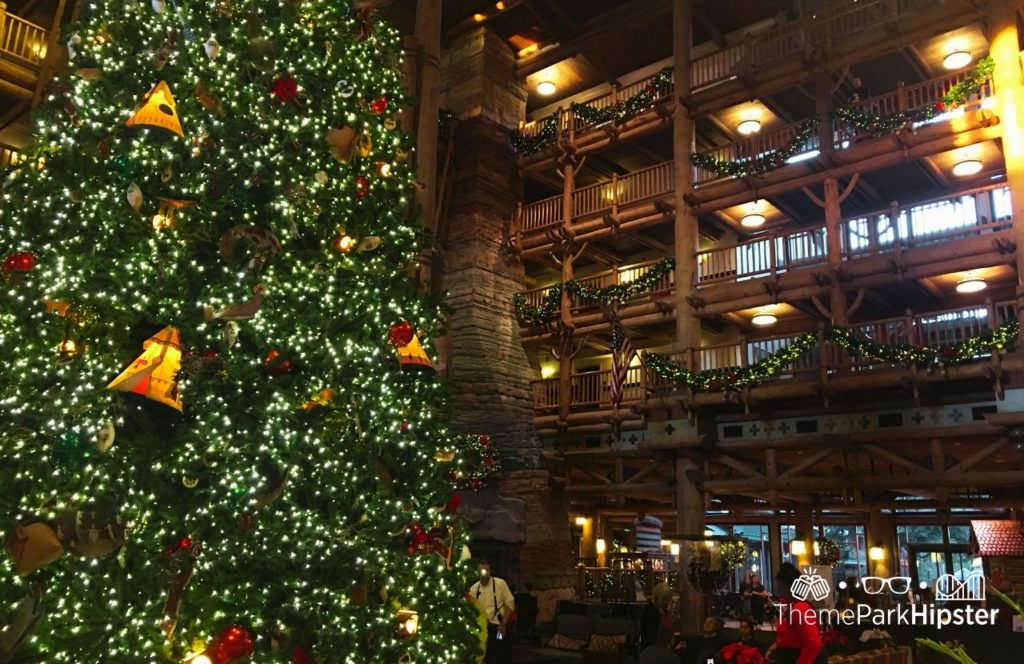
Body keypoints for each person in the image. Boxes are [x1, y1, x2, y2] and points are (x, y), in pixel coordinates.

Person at [765, 563, 822, 664]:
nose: (778, 590)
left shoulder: (800, 609)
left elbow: (813, 644)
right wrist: (776, 645)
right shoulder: (793, 606)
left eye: (780, 587)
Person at [468, 561, 515, 664]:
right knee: (484, 656)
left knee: (502, 654)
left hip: (499, 627)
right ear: (477, 572)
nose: (485, 573)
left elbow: (510, 604)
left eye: (487, 570)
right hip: (483, 630)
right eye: (482, 571)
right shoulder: (474, 589)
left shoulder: (500, 583)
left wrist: (504, 624)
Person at [641, 582, 675, 650]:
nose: (670, 601)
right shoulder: (649, 611)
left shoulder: (663, 609)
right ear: (662, 599)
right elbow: (651, 637)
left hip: (667, 647)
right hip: (654, 650)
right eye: (667, 599)